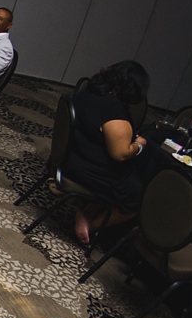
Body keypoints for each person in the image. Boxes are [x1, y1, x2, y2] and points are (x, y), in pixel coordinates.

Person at [64, 61, 152, 244]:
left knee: (126, 177)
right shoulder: (113, 110)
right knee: (140, 199)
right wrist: (139, 144)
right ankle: (91, 228)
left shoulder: (88, 92)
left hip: (67, 155)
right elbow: (119, 153)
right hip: (84, 168)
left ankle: (86, 211)